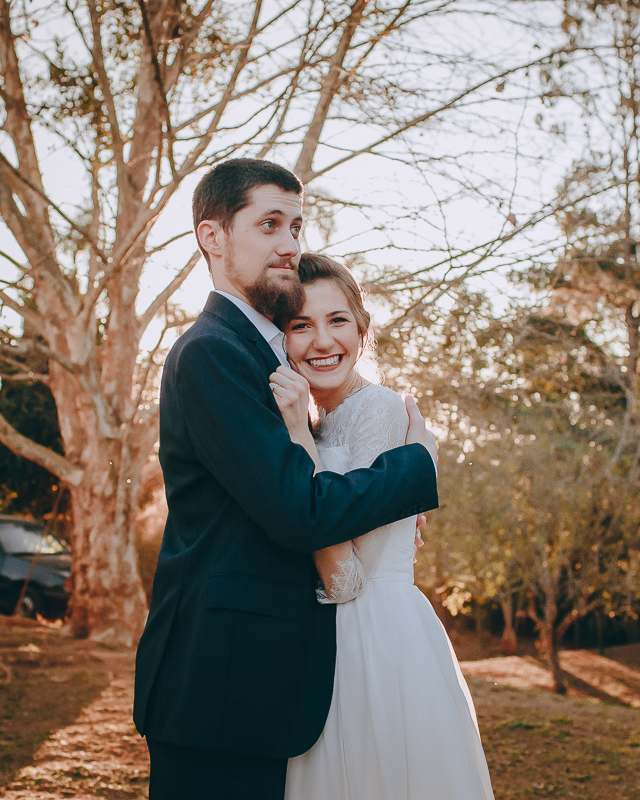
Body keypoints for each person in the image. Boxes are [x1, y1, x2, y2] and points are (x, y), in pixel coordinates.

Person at [132, 158, 440, 800]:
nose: (290, 244)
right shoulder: (213, 352)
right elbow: (297, 510)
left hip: (259, 682)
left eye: (296, 225)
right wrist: (417, 467)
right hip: (221, 685)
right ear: (212, 236)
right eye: (269, 224)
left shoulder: (259, 350)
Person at [270, 253, 495, 800]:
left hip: (374, 642)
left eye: (338, 321)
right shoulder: (323, 418)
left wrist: (298, 434)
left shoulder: (381, 412)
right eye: (302, 325)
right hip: (327, 640)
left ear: (363, 330)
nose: (323, 341)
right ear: (282, 341)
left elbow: (345, 580)